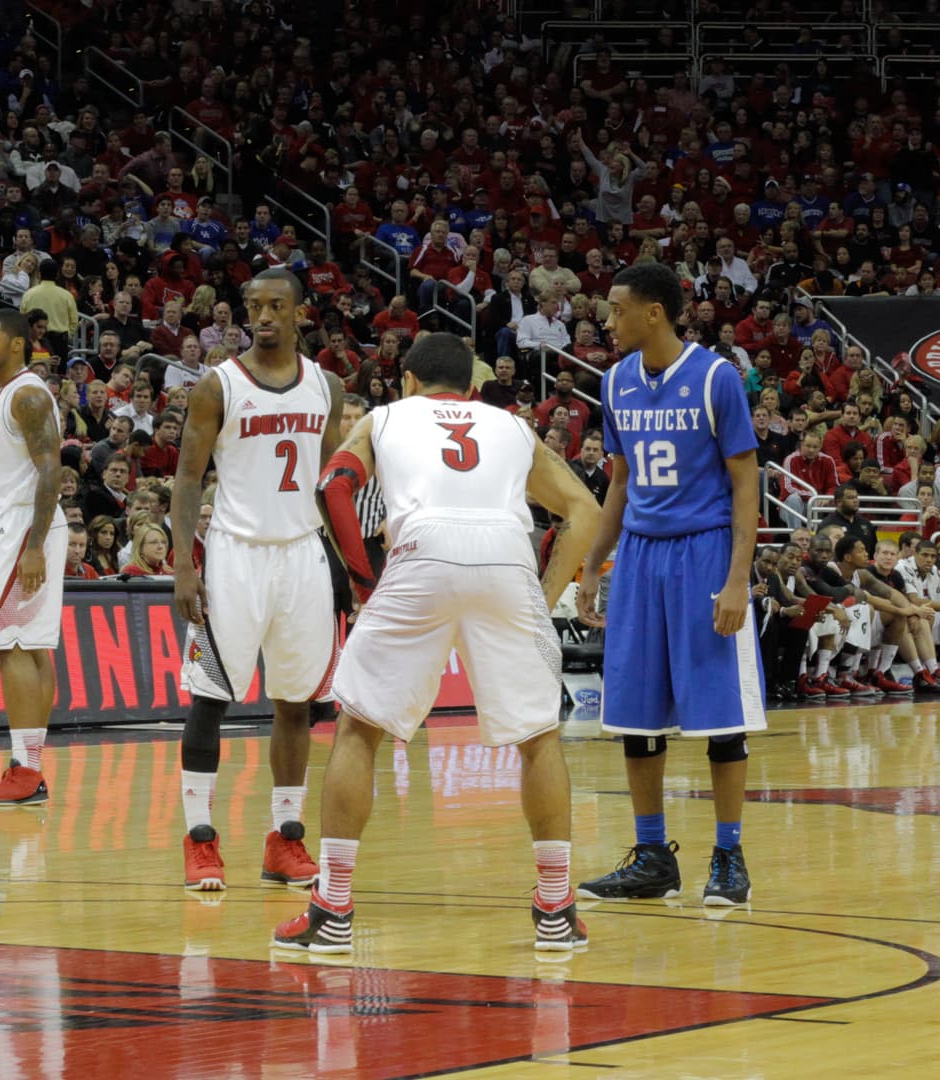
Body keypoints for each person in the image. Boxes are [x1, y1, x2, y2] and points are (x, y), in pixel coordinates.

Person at [273, 332, 602, 953]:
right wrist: (543, 589)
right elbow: (583, 508)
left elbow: (330, 488)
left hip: (420, 555)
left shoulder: (384, 416)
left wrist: (365, 581)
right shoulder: (512, 425)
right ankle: (556, 907)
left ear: (408, 382)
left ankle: (333, 909)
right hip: (507, 558)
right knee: (539, 739)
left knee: (359, 730)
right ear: (473, 389)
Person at [574, 262, 762, 907]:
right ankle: (653, 855)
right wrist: (594, 563)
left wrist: (738, 578)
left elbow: (746, 484)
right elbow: (619, 484)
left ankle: (729, 858)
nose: (608, 320)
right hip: (639, 558)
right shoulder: (615, 381)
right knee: (636, 715)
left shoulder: (716, 378)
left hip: (705, 556)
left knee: (720, 718)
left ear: (653, 312)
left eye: (616, 308)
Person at [170, 269, 343, 892]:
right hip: (235, 554)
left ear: (301, 314)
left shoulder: (329, 386)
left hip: (302, 555)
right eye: (253, 305)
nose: (262, 315)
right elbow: (188, 478)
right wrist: (184, 564)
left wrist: (346, 563)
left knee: (295, 703)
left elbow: (328, 487)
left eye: (276, 306)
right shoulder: (219, 384)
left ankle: (285, 841)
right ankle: (200, 841)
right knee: (211, 698)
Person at [0, 310, 67, 807]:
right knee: (32, 646)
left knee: (13, 646)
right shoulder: (6, 394)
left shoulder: (26, 394)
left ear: (19, 345)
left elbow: (52, 470)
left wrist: (31, 544)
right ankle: (29, 766)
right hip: (11, 526)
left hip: (27, 525)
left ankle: (26, 771)